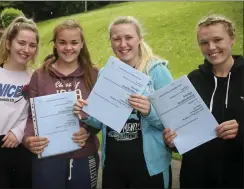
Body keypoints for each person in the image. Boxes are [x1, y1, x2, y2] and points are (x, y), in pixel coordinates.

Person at [74, 16, 173, 188]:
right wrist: (86, 113)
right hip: (114, 165)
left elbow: (173, 120)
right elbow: (101, 119)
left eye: (128, 38)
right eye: (116, 39)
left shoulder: (157, 71)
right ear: (111, 42)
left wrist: (149, 111)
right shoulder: (106, 72)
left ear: (139, 38)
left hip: (149, 167)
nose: (122, 44)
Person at [163, 15, 243, 188]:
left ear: (232, 39)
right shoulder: (192, 81)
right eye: (204, 42)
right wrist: (173, 140)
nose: (211, 47)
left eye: (217, 40)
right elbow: (180, 132)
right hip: (196, 177)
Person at [22, 19, 100, 189]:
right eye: (62, 42)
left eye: (74, 42)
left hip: (84, 156)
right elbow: (30, 116)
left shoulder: (93, 74)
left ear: (81, 44)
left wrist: (87, 131)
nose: (68, 48)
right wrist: (28, 139)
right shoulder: (40, 75)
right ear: (55, 44)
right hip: (48, 157)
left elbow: (101, 117)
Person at [0, 16, 39, 188]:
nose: (26, 49)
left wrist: (19, 131)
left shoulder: (35, 79)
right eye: (21, 43)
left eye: (32, 45)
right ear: (8, 43)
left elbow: (37, 114)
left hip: (21, 150)